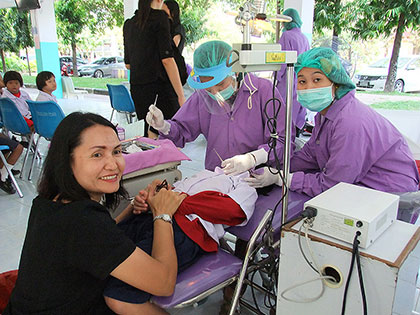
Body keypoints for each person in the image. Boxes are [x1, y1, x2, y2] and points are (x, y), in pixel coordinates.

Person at [4, 112, 189, 315]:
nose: (113, 164)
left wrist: (130, 209)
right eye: (97, 154)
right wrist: (162, 215)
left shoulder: (49, 201)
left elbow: (93, 244)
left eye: (117, 151)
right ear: (67, 160)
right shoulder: (82, 221)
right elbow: (163, 283)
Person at [244, 47, 420, 196]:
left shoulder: (350, 123)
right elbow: (310, 156)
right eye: (302, 81)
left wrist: (280, 178)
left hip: (390, 193)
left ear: (335, 83)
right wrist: (270, 165)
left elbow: (333, 185)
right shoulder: (326, 114)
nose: (308, 88)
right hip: (360, 183)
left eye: (317, 80)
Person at [104, 167, 257, 311]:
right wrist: (149, 198)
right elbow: (169, 193)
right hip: (150, 216)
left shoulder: (245, 186)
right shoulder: (205, 173)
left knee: (120, 289)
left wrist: (174, 202)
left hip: (184, 230)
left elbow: (233, 210)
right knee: (102, 256)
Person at [146, 40, 294, 173]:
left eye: (221, 84)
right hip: (217, 177)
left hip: (257, 179)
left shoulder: (262, 91)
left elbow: (283, 141)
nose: (216, 93)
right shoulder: (202, 97)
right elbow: (182, 131)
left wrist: (253, 158)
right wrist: (164, 126)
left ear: (235, 71)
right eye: (209, 88)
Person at [123, 0, 186, 138]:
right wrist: (181, 96)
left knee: (148, 135)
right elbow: (168, 60)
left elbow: (128, 64)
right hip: (161, 88)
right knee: (169, 136)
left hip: (138, 89)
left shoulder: (129, 24)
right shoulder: (160, 18)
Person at [275, 8, 310, 134]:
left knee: (283, 117)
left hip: (287, 81)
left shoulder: (286, 36)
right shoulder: (304, 38)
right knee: (296, 114)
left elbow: (281, 61)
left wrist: (275, 79)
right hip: (301, 81)